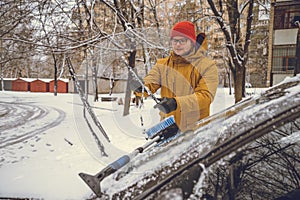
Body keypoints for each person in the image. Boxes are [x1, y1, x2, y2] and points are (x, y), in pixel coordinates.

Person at [132, 21, 219, 132]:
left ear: (192, 42)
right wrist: (140, 86)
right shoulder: (163, 65)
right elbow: (150, 83)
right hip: (168, 129)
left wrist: (176, 103)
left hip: (195, 131)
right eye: (175, 40)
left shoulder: (207, 66)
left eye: (182, 40)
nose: (177, 44)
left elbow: (205, 97)